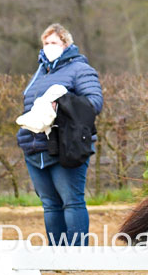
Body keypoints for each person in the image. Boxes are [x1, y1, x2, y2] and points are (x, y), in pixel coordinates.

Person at [17, 23, 103, 245]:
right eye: (45, 43)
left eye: (53, 42)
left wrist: (61, 104)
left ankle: (76, 255)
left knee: (72, 202)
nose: (48, 47)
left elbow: (94, 103)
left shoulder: (80, 69)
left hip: (66, 146)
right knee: (50, 205)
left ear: (66, 45)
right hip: (35, 147)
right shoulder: (40, 72)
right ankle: (55, 255)